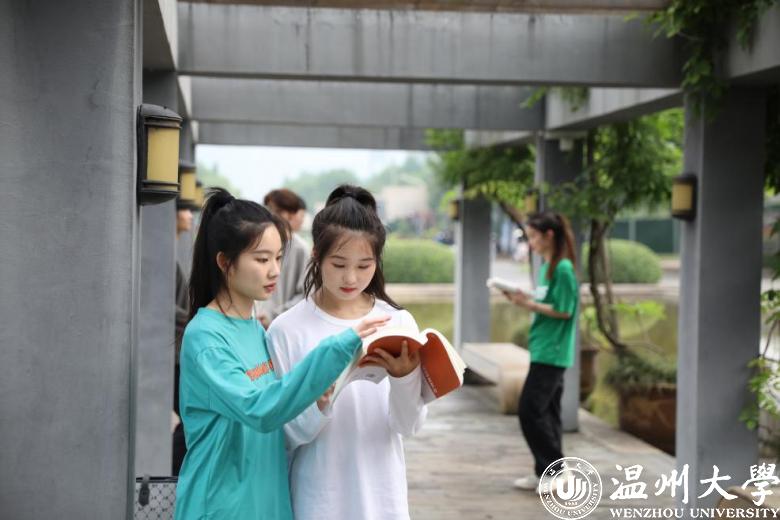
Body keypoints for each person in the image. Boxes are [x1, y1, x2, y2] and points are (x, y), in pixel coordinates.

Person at [173, 188, 390, 519]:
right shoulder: (206, 337)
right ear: (225, 262)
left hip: (267, 504)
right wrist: (336, 350)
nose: (275, 270)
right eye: (262, 259)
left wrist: (318, 396)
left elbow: (283, 415)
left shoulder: (255, 329)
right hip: (221, 507)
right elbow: (260, 409)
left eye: (278, 257)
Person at [266, 184, 427, 520]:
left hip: (382, 499)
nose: (350, 278)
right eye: (338, 264)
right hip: (317, 499)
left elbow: (408, 426)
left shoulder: (396, 322)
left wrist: (404, 380)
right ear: (316, 255)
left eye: (364, 265)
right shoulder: (286, 330)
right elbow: (283, 435)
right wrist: (319, 400)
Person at [502, 211, 579, 492]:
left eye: (534, 236)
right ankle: (545, 471)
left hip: (553, 351)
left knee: (529, 411)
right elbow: (548, 301)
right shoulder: (548, 268)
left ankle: (556, 470)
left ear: (549, 235)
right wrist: (523, 298)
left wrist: (528, 305)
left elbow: (564, 310)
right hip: (543, 347)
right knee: (548, 412)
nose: (530, 242)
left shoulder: (563, 269)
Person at [255, 188, 309, 328]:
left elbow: (305, 294)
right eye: (268, 210)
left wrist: (274, 316)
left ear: (291, 215)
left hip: (283, 325)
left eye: (278, 211)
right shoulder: (257, 243)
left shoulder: (300, 249)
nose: (271, 215)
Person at [172, 199, 194, 475]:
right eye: (185, 209)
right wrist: (191, 319)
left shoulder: (176, 251)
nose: (189, 215)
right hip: (175, 354)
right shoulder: (169, 254)